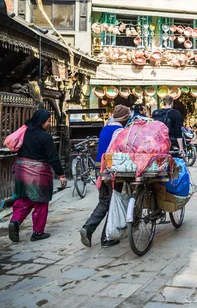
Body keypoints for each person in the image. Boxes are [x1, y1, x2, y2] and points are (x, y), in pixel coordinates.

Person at [8, 110, 67, 242]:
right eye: (47, 121)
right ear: (41, 122)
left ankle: (15, 221)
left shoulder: (24, 132)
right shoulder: (45, 137)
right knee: (40, 201)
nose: (49, 124)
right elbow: (53, 157)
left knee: (23, 199)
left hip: (21, 170)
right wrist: (61, 174)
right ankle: (38, 232)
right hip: (38, 172)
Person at [79, 105, 130, 248]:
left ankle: (88, 228)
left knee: (104, 202)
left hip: (99, 169)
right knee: (113, 202)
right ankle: (107, 237)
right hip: (112, 170)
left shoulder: (106, 128)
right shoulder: (120, 131)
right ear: (125, 118)